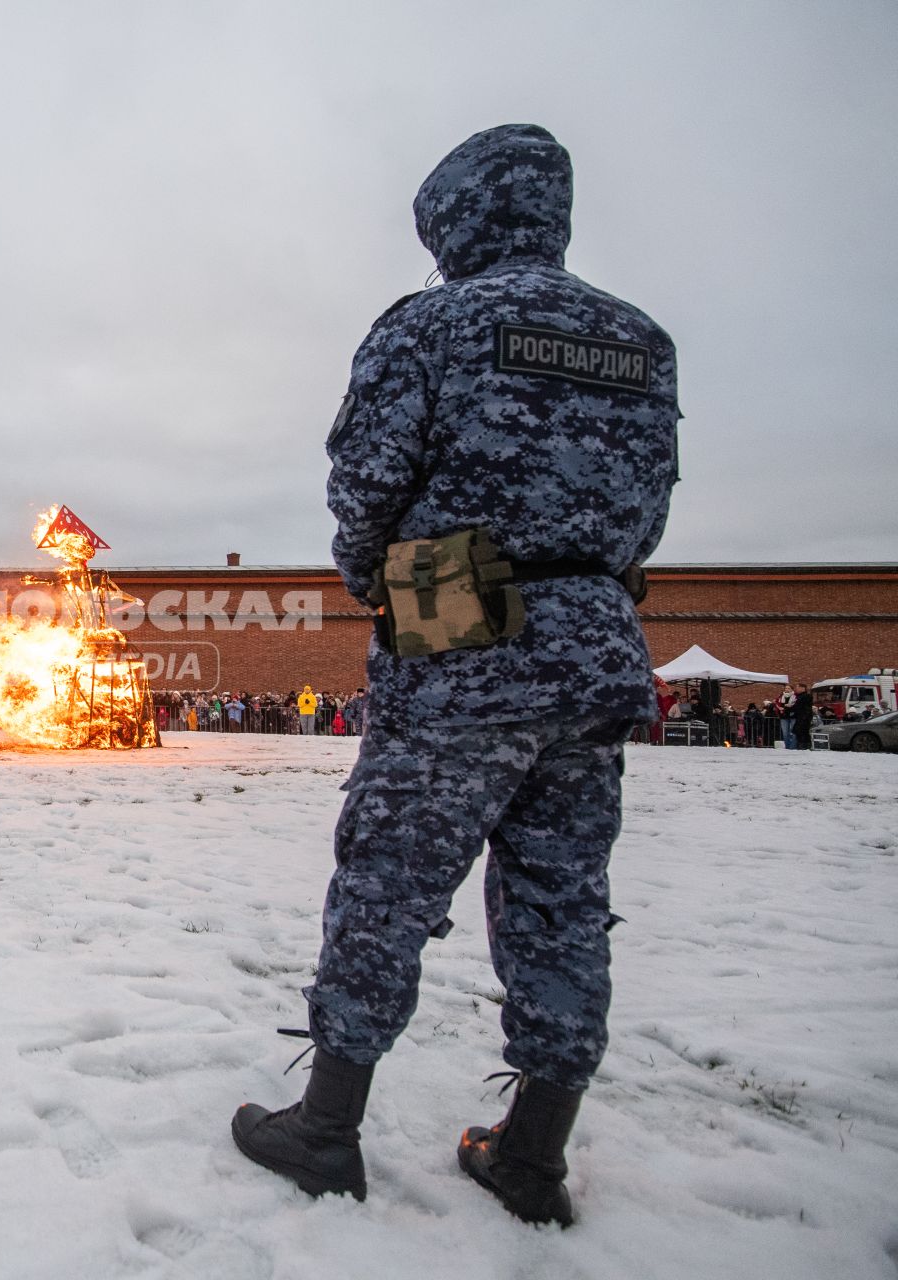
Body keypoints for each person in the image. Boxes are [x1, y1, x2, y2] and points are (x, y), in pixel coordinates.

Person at [231, 125, 679, 1228]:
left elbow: (366, 485)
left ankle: (326, 1127)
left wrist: (386, 587)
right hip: (597, 629)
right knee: (563, 897)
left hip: (465, 610)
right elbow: (650, 508)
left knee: (388, 878)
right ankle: (533, 1151)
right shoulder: (644, 340)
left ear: (455, 217)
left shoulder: (433, 322)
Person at [792, 682, 814, 750]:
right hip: (799, 716)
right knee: (798, 731)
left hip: (804, 717)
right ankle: (801, 745)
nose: (796, 689)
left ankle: (805, 745)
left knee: (803, 731)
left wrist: (805, 716)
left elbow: (805, 707)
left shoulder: (807, 696)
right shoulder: (797, 696)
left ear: (803, 688)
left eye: (797, 687)